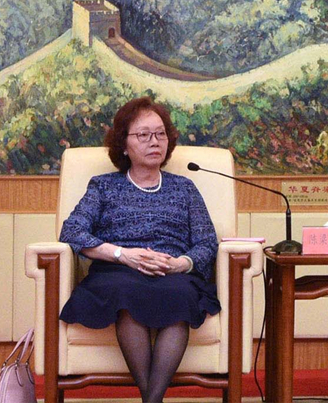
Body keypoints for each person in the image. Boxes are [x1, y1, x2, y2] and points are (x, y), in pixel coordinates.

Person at [58, 97, 220, 403]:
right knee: (126, 291)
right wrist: (124, 255)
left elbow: (207, 242)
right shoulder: (104, 186)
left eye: (160, 134)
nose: (154, 142)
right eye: (143, 135)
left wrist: (181, 263)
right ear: (123, 144)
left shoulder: (184, 188)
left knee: (181, 294)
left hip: (171, 272)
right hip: (117, 271)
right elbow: (72, 231)